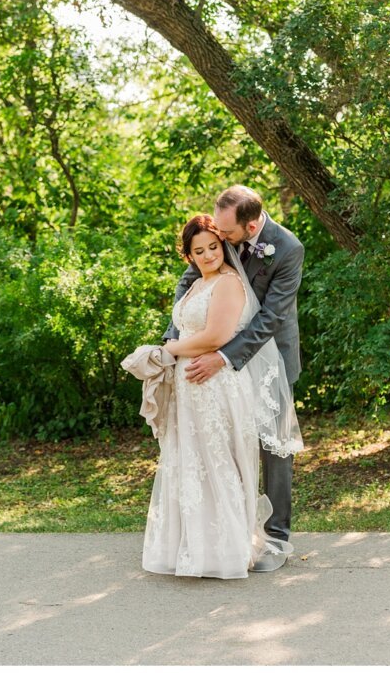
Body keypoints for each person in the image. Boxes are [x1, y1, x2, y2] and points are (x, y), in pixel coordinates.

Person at [143, 215, 303, 578]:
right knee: (196, 457)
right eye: (200, 250)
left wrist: (204, 353)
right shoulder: (201, 266)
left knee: (268, 450)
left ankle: (272, 537)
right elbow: (182, 309)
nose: (211, 250)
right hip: (194, 377)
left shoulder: (286, 248)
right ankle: (196, 542)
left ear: (247, 227)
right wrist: (170, 345)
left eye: (217, 243)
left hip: (256, 357)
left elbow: (268, 318)